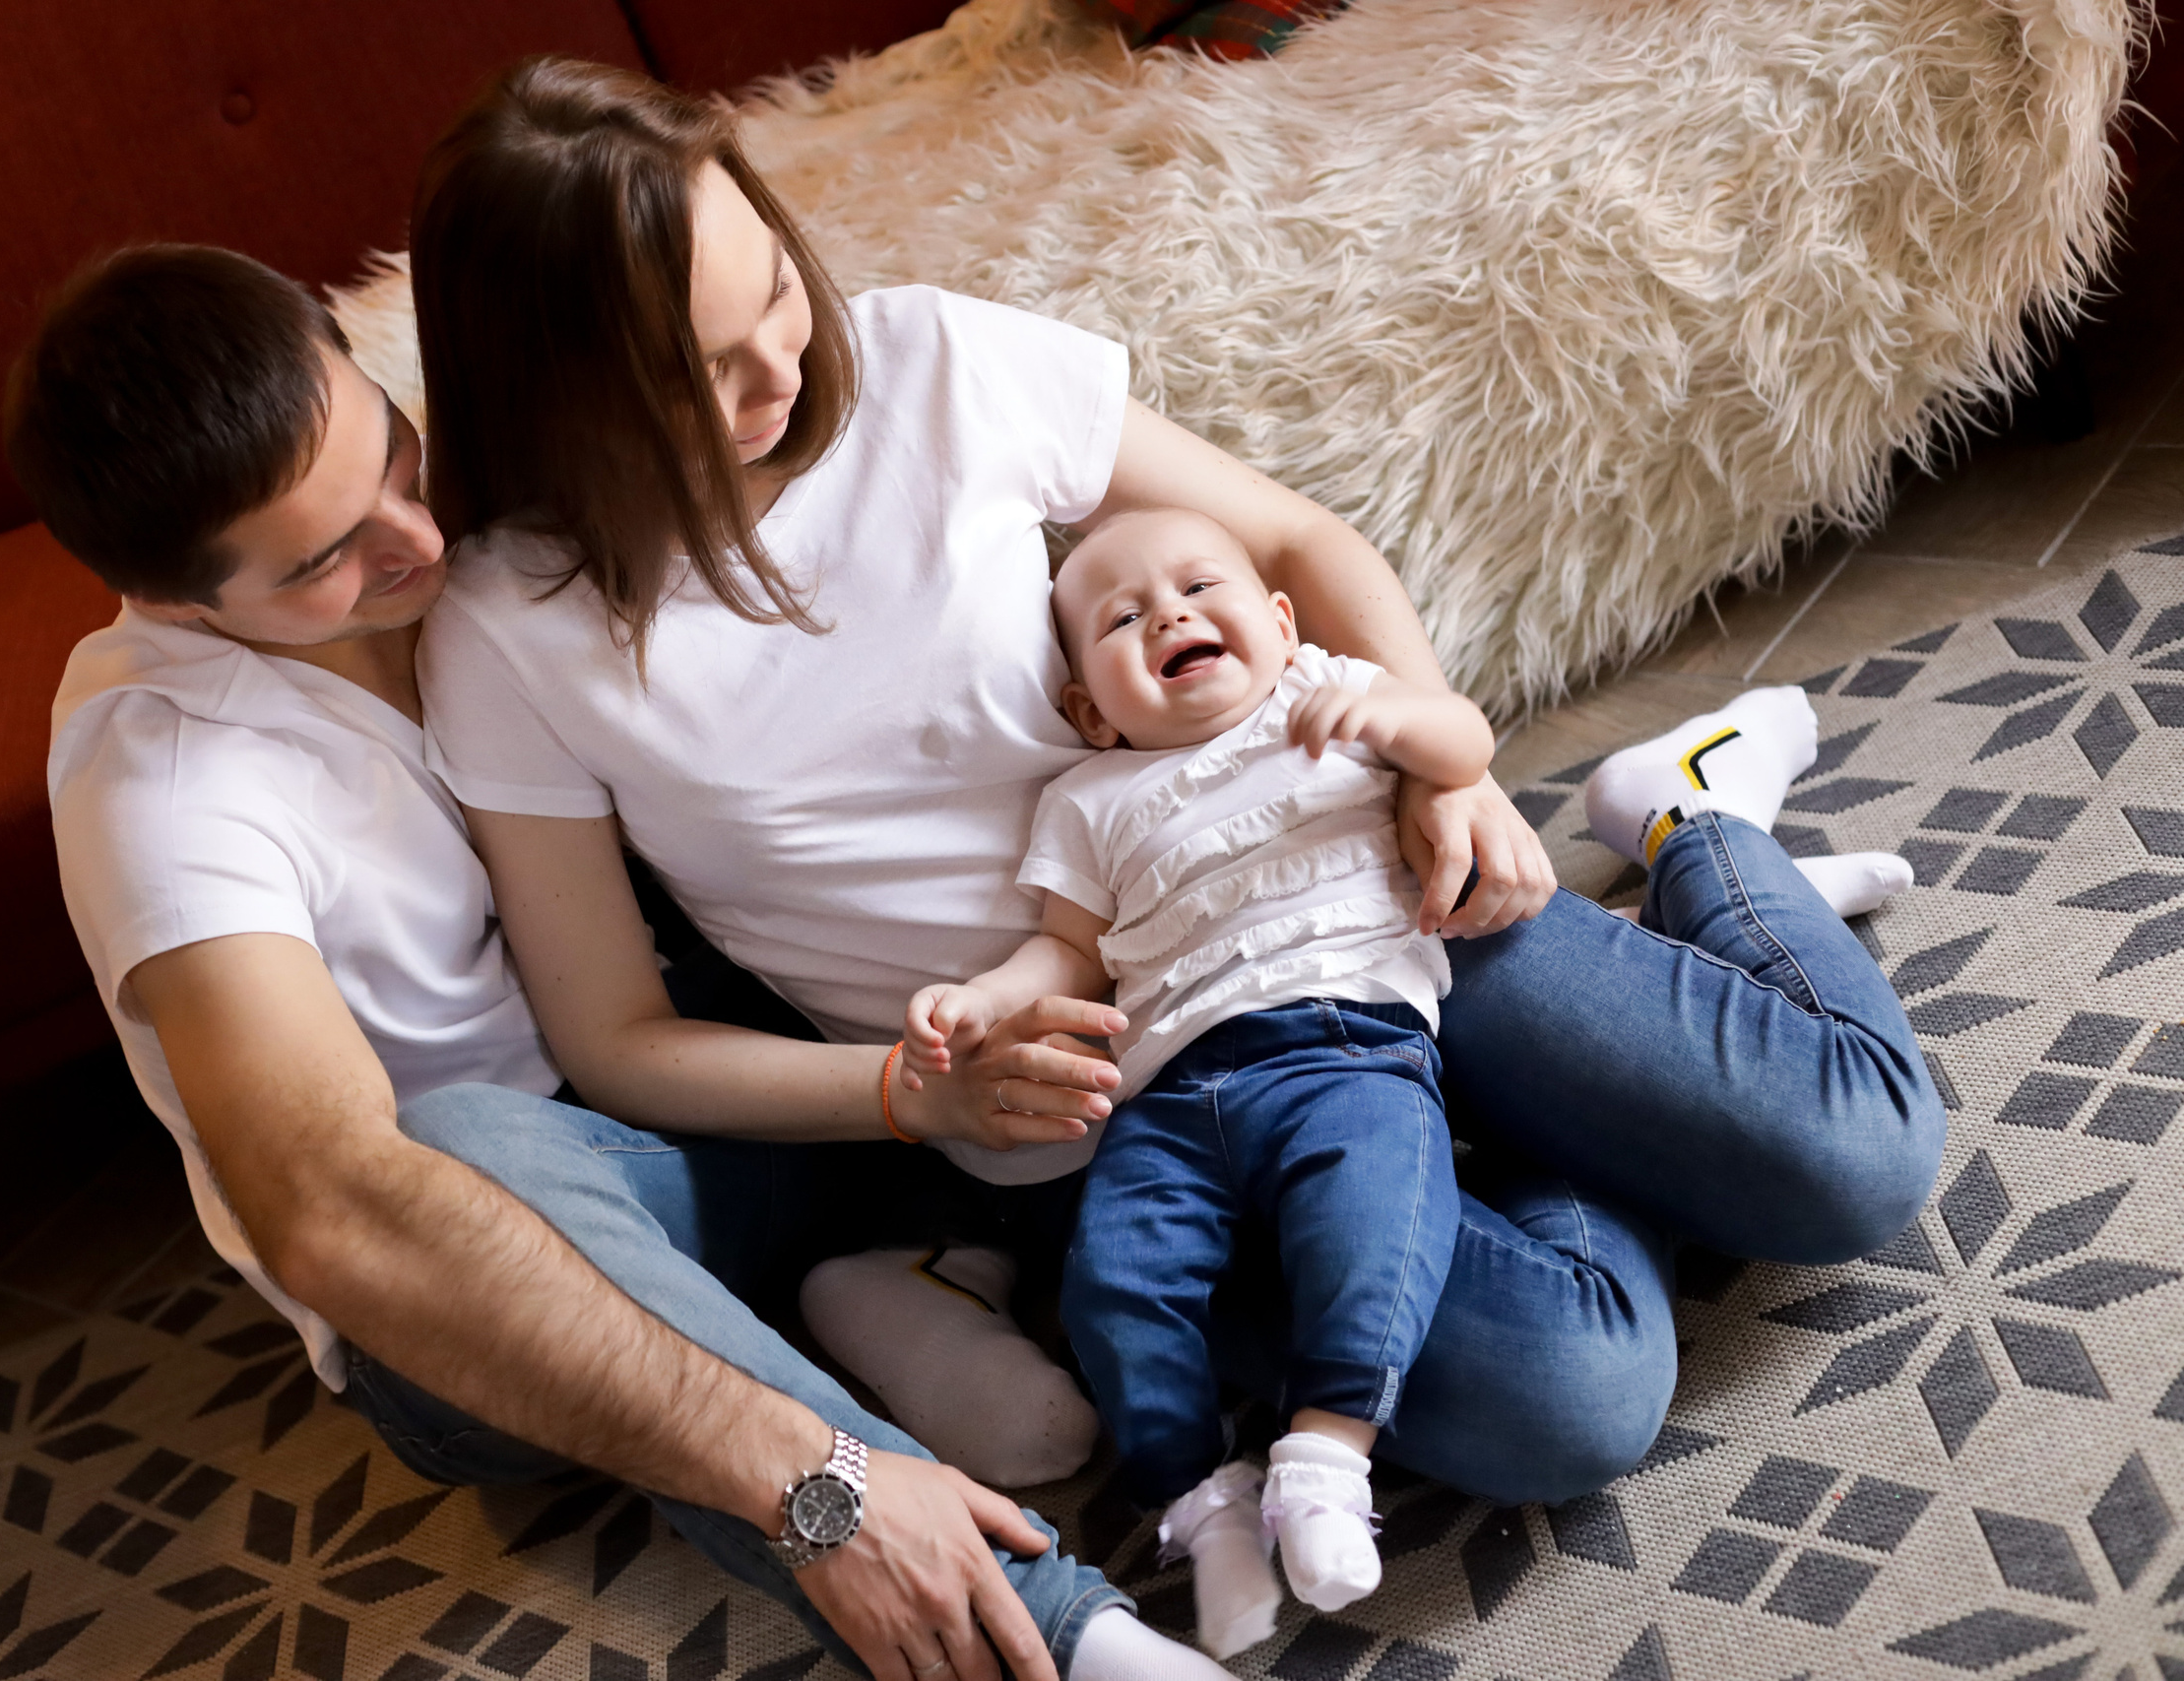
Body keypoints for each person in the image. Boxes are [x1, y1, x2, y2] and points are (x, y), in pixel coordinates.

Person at [407, 49, 1947, 1528]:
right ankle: (1513, 1150)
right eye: (702, 368)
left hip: (1363, 898)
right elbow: (616, 1036)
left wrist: (1438, 752)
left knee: (1857, 1159)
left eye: (775, 302)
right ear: (558, 401)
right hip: (1130, 1114)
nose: (780, 371)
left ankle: (1686, 813)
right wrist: (907, 1090)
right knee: (1567, 1396)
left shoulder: (930, 364)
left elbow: (1290, 549)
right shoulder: (512, 630)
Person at [17, 245, 1202, 1681]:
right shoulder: (170, 790)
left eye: (395, 454)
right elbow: (336, 1211)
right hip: (482, 1274)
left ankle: (905, 1266)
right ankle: (1075, 1639)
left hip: (693, 1074)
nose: (415, 538)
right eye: (327, 559)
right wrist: (816, 1487)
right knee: (460, 1145)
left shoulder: (476, 541)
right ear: (174, 596)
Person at [902, 505, 1488, 1650]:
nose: (1169, 612)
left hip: (1347, 1047)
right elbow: (1064, 950)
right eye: (1123, 619)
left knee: (1374, 1229)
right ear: (1089, 710)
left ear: (1276, 622)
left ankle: (1323, 1458)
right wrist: (981, 998)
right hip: (1168, 1101)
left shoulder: (1322, 697)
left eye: (1199, 588)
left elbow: (1463, 742)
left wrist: (1399, 715)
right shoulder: (1085, 801)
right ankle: (1201, 1507)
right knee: (1113, 1287)